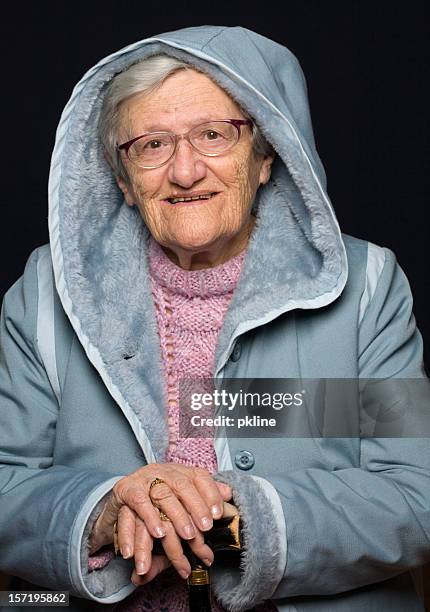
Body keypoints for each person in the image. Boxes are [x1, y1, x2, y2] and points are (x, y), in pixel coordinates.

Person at [0, 24, 429, 612]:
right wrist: (104, 514)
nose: (184, 171)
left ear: (264, 157)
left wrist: (228, 527)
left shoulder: (367, 287)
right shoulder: (46, 294)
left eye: (213, 135)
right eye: (151, 145)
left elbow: (415, 491)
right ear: (123, 180)